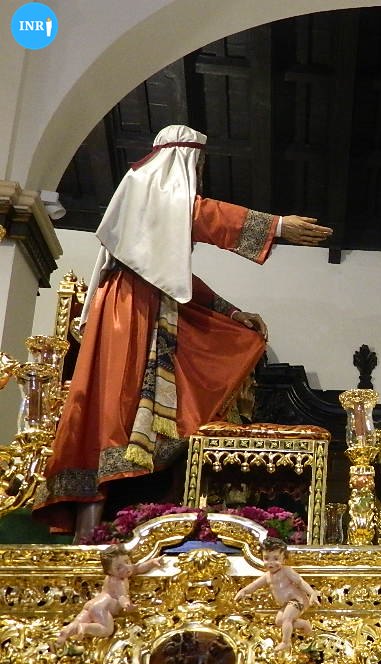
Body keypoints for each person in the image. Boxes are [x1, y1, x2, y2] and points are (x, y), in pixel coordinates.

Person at [34, 125, 333, 542]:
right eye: (199, 165)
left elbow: (175, 276)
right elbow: (201, 215)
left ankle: (119, 522)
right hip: (131, 315)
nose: (200, 175)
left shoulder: (150, 219)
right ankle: (92, 534)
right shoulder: (148, 196)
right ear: (180, 160)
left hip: (149, 307)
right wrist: (278, 226)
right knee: (114, 411)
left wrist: (231, 311)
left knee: (134, 405)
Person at [55, 543, 164, 647]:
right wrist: (127, 605)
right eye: (119, 567)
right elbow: (121, 596)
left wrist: (152, 562)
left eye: (127, 561)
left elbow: (137, 568)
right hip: (102, 608)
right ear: (110, 572)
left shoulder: (124, 572)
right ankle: (84, 627)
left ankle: (65, 633)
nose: (126, 567)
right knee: (107, 629)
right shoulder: (118, 581)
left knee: (78, 620)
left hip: (93, 604)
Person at [235, 536, 320, 651]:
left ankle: (286, 642)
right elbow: (254, 585)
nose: (271, 563)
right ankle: (304, 625)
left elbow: (300, 582)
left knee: (286, 618)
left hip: (297, 600)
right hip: (286, 604)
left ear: (284, 559)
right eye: (266, 558)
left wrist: (312, 593)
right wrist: (243, 591)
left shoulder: (286, 571)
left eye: (276, 558)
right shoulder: (267, 576)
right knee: (279, 621)